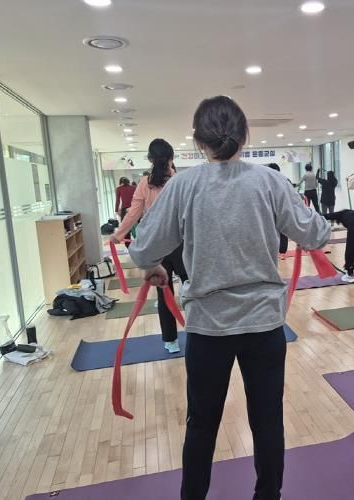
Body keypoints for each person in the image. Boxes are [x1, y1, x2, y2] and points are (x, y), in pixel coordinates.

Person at [129, 96, 330, 500]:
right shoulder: (270, 181)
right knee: (267, 421)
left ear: (199, 141)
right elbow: (316, 234)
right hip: (263, 325)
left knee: (202, 424)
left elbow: (143, 248)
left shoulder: (184, 185)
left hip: (209, 327)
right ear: (245, 135)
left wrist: (153, 265)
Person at [111, 139, 183, 354]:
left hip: (156, 245)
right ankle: (201, 333)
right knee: (195, 290)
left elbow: (133, 213)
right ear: (171, 157)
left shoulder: (144, 183)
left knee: (164, 294)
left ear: (150, 159)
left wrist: (119, 234)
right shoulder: (180, 180)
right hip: (181, 244)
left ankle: (171, 341)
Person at [267, 163, 290, 257]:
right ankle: (282, 251)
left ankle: (277, 250)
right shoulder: (285, 180)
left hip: (271, 210)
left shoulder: (265, 182)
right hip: (282, 209)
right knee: (283, 230)